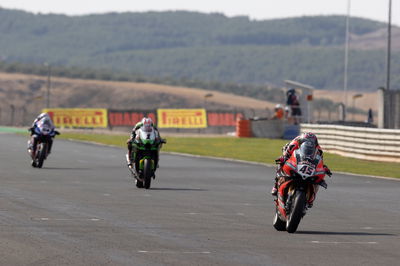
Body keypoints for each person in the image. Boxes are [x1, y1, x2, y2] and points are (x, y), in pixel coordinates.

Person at [271, 132, 332, 198]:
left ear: (315, 144)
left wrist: (323, 168)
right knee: (281, 163)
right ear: (301, 142)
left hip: (307, 162)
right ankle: (276, 185)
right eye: (307, 142)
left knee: (318, 180)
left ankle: (312, 197)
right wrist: (283, 158)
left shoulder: (319, 150)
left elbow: (319, 162)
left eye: (311, 144)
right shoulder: (294, 144)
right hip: (291, 154)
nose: (309, 145)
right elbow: (286, 154)